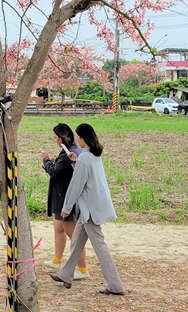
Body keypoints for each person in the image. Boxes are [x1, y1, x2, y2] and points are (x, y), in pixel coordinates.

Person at [49, 123, 125, 296]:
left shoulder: (85, 158)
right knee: (76, 242)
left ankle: (115, 285)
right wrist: (76, 163)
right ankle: (65, 274)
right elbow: (86, 176)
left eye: (78, 137)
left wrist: (66, 208)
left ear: (83, 138)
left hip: (90, 211)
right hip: (91, 209)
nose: (76, 139)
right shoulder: (92, 155)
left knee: (100, 247)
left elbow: (77, 185)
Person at [39, 123, 89, 280]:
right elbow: (62, 169)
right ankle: (56, 260)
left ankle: (83, 269)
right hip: (62, 196)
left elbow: (55, 173)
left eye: (55, 136)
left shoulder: (69, 153)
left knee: (74, 236)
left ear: (61, 137)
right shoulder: (71, 150)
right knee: (58, 226)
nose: (54, 139)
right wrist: (56, 162)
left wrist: (46, 160)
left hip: (65, 199)